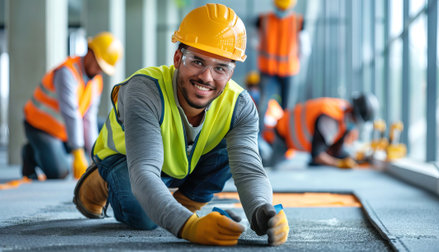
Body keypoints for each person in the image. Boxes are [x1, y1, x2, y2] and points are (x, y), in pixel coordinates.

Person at [73, 3, 289, 246]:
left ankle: (179, 206)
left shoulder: (240, 106)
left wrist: (262, 210)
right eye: (197, 61)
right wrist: (189, 226)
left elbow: (249, 170)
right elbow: (144, 171)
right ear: (178, 58)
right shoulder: (144, 90)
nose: (207, 77)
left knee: (219, 157)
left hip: (182, 162)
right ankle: (102, 180)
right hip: (127, 159)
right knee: (145, 217)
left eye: (220, 68)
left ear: (230, 73)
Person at [21, 32, 123, 180]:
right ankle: (30, 153)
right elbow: (71, 114)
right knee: (59, 172)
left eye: (103, 68)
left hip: (62, 130)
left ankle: (54, 149)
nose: (99, 70)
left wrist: (94, 157)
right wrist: (77, 152)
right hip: (40, 127)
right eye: (99, 65)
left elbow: (88, 120)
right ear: (90, 52)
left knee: (105, 126)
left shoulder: (96, 82)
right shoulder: (67, 73)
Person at [261, 93, 379, 169]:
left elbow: (337, 149)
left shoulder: (342, 109)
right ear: (356, 116)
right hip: (282, 135)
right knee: (266, 167)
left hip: (288, 134)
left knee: (277, 162)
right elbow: (317, 156)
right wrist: (338, 164)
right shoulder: (330, 120)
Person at [257, 0, 304, 131]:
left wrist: (297, 63)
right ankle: (258, 138)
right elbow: (255, 41)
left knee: (287, 108)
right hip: (267, 69)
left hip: (288, 70)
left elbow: (304, 47)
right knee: (262, 106)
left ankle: (284, 136)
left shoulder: (298, 21)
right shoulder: (263, 20)